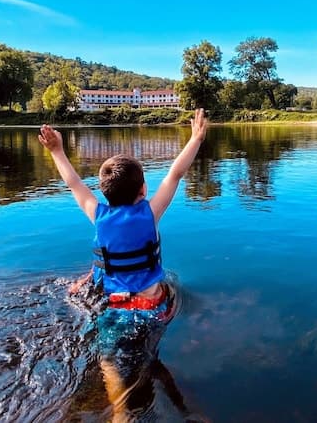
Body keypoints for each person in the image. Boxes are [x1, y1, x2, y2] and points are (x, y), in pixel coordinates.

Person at [37, 108, 208, 421]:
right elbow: (175, 173)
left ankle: (119, 410)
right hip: (152, 308)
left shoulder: (97, 215)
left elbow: (73, 182)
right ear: (143, 190)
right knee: (149, 358)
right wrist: (196, 137)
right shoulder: (149, 213)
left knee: (111, 366)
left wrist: (57, 150)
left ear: (103, 192)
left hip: (115, 310)